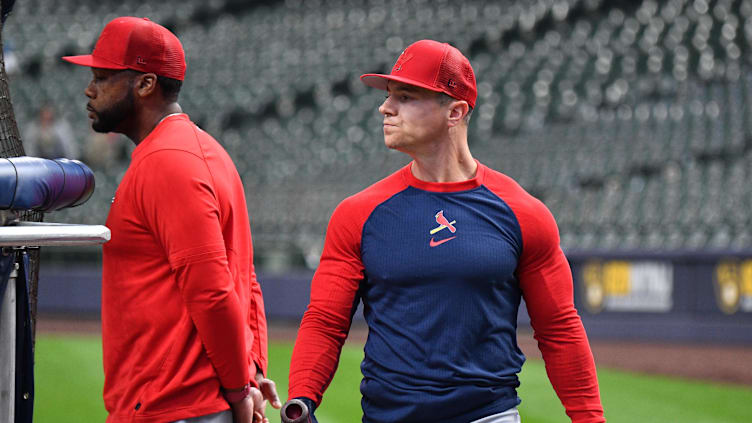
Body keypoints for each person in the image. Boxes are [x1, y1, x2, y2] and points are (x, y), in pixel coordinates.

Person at [285, 40, 606, 422]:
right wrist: (302, 398)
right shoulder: (358, 213)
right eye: (389, 96)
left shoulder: (524, 213)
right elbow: (325, 320)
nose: (385, 108)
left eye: (405, 96)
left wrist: (590, 417)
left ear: (455, 111)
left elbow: (559, 329)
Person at [62, 17, 280, 423]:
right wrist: (252, 370)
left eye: (104, 77)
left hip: (175, 405)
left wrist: (239, 387)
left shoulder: (168, 162)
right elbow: (244, 278)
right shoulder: (204, 150)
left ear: (145, 84)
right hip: (187, 403)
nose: (89, 89)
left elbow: (214, 292)